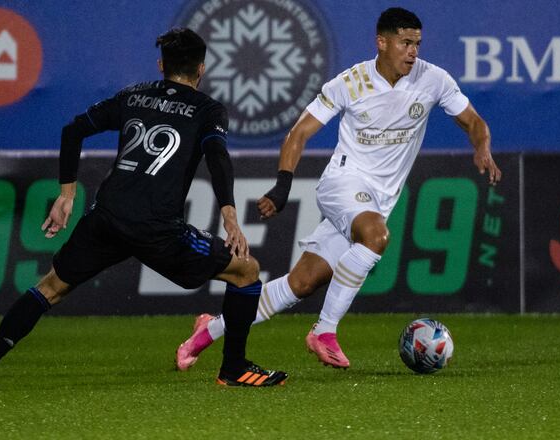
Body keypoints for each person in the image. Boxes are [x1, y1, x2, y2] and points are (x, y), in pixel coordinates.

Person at [176, 7, 501, 370]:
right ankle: (324, 331)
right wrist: (283, 184)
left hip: (377, 200)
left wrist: (481, 146)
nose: (413, 52)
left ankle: (206, 332)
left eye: (417, 44)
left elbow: (473, 120)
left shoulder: (433, 79)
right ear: (382, 42)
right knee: (376, 237)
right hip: (342, 184)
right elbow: (299, 133)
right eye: (405, 43)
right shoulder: (350, 82)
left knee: (301, 283)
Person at [0, 28, 287, 389]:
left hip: (108, 217)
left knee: (50, 288)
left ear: (161, 64)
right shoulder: (207, 110)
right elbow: (217, 156)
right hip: (157, 229)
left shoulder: (133, 95)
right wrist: (229, 216)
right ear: (202, 69)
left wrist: (67, 195)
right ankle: (234, 369)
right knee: (246, 270)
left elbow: (73, 131)